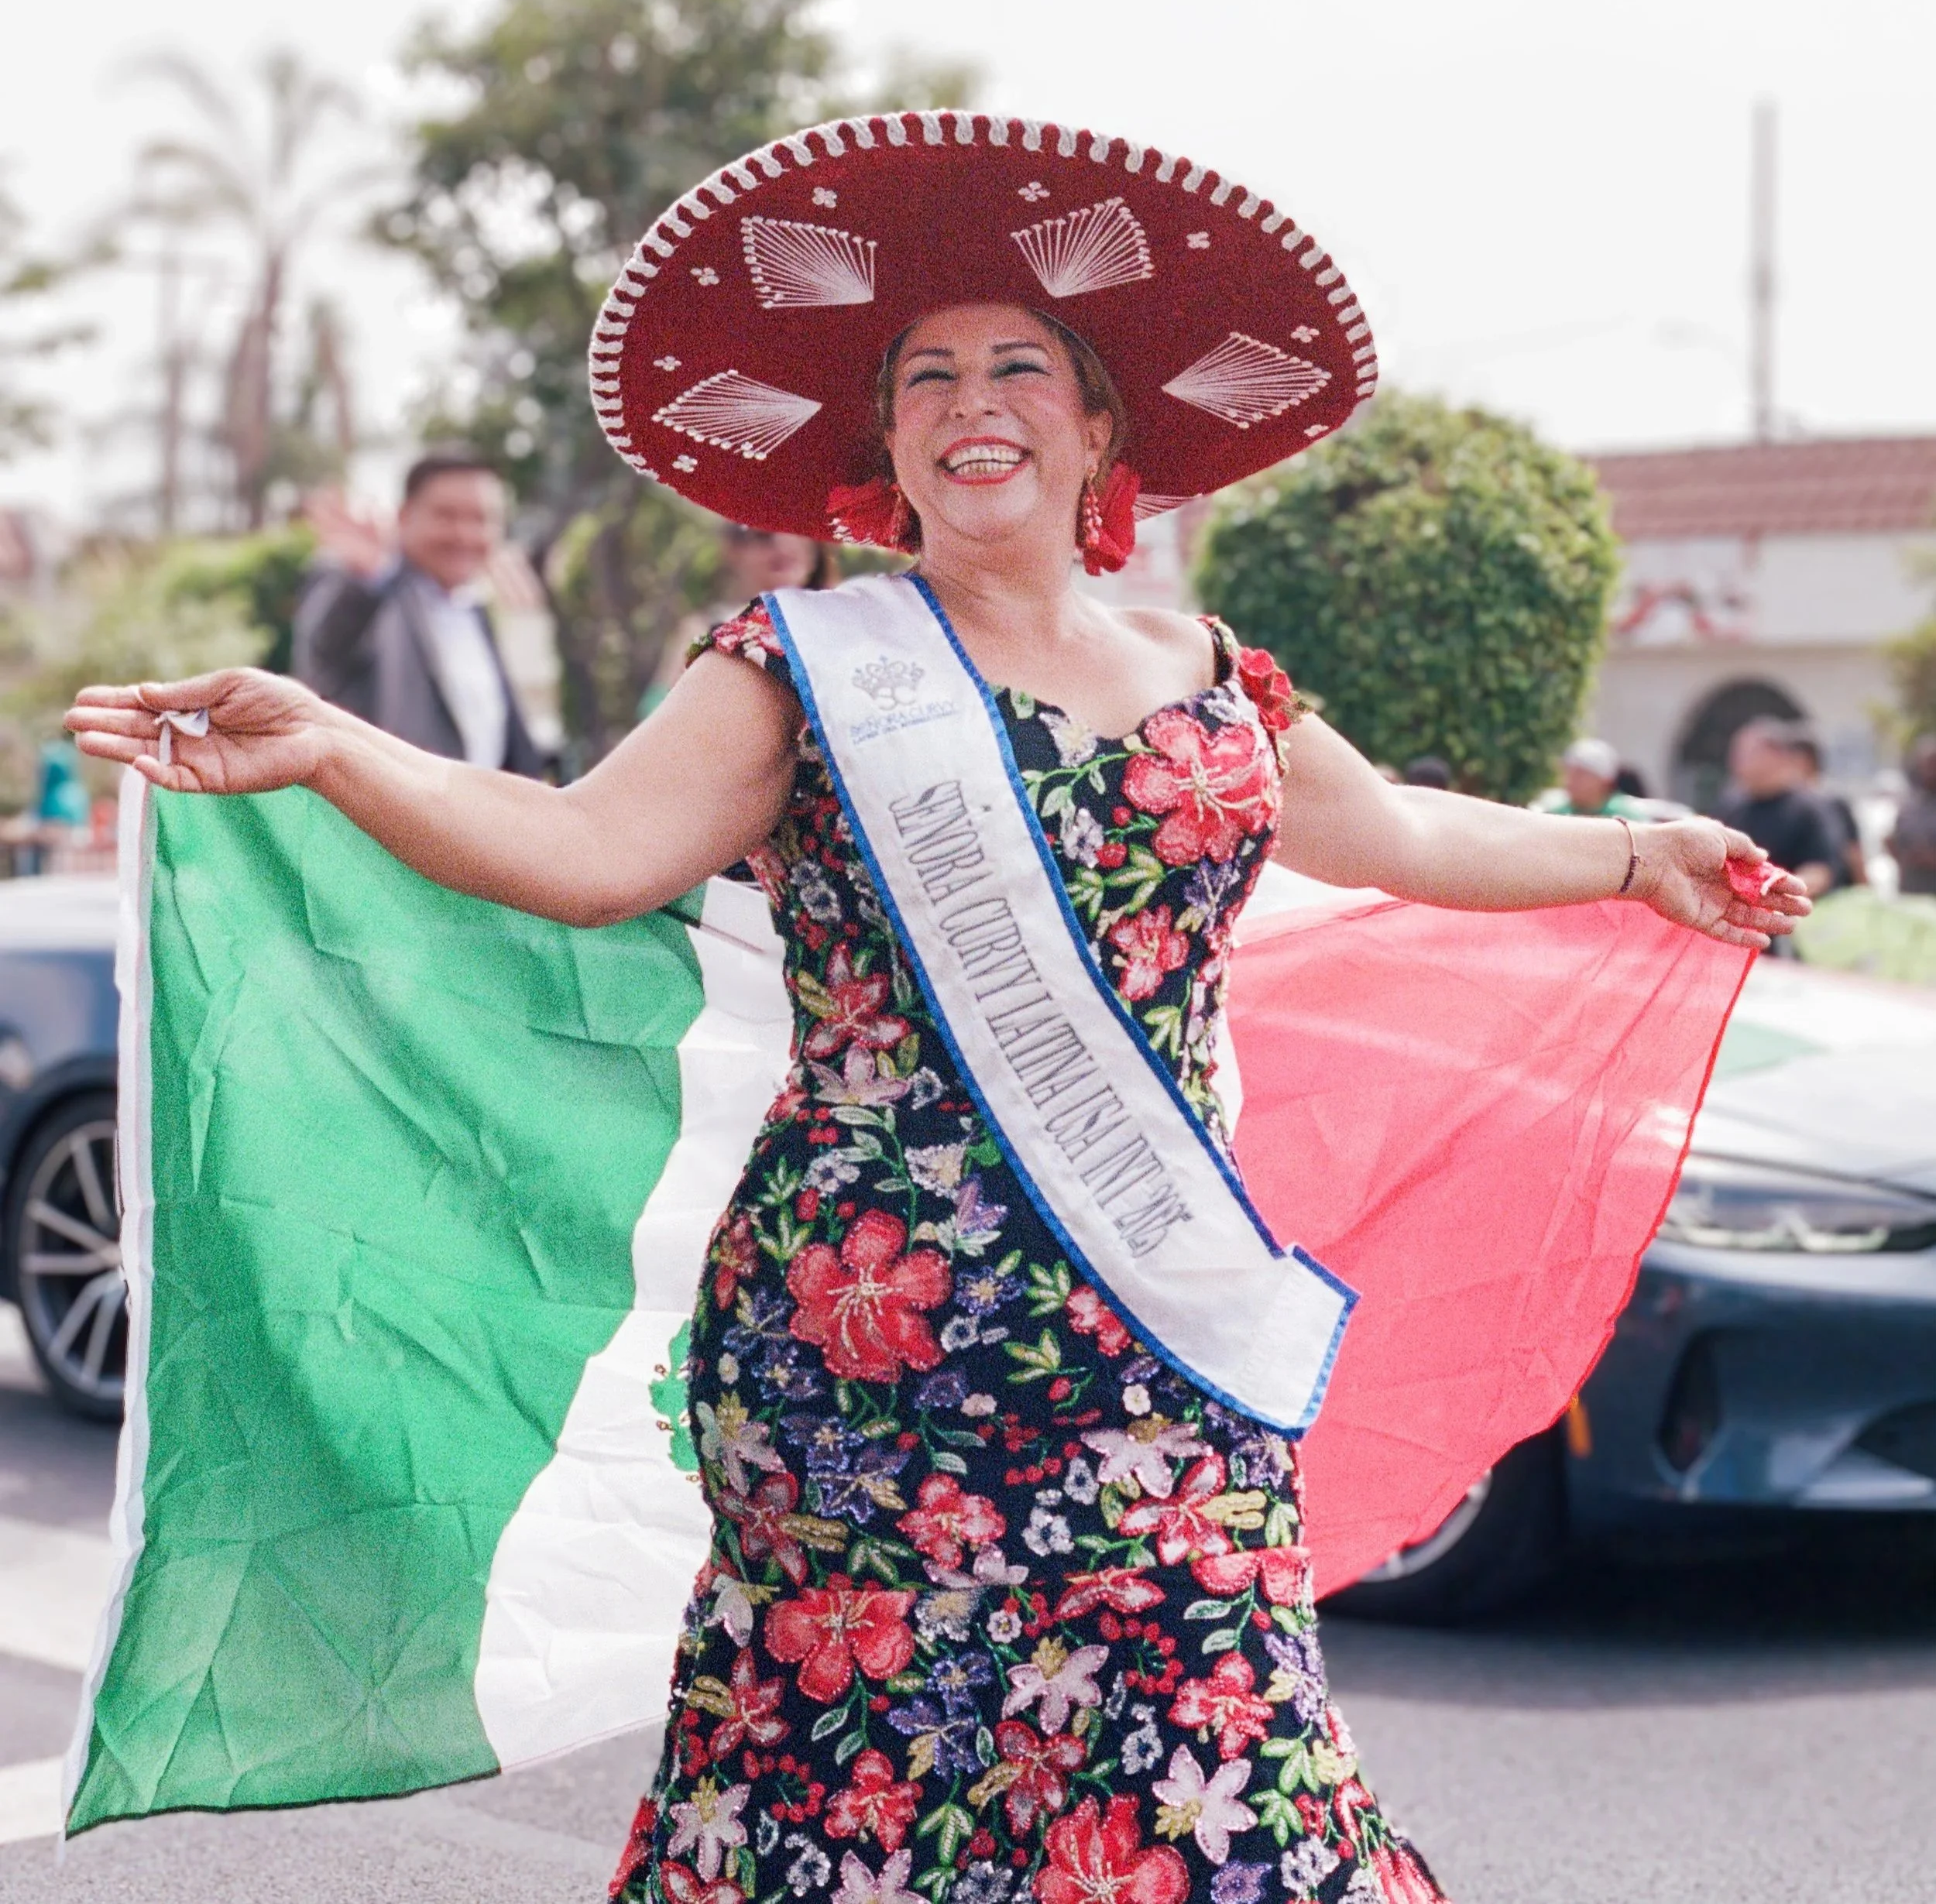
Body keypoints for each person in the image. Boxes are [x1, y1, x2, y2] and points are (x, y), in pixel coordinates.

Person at [68, 115, 1804, 1904]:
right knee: (860, 1784)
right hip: (867, 1335)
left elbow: (1400, 834)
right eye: (928, 379)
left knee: (1219, 1764)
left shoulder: (1216, 680)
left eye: (1018, 367)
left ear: (1099, 427)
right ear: (886, 448)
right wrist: (335, 748)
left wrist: (1632, 852)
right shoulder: (800, 669)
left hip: (1155, 1324)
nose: (975, 403)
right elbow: (583, 852)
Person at [293, 449, 548, 775]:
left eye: (481, 519)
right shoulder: (371, 591)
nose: (465, 534)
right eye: (446, 516)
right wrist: (370, 579)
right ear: (404, 516)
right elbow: (324, 650)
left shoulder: (476, 606)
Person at [638, 524, 835, 716]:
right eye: (763, 535)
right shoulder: (703, 628)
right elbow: (655, 711)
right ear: (732, 549)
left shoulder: (836, 622)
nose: (784, 543)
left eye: (797, 529)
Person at [1719, 718, 1840, 897]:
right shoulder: (1731, 807)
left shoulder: (1809, 808)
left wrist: (1773, 894)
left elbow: (1819, 871)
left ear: (1775, 755)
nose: (1736, 762)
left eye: (1746, 754)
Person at [1787, 729, 1867, 889]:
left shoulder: (1832, 801)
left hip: (1832, 891)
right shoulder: (1781, 802)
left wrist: (1864, 888)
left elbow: (1852, 850)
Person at [1537, 738, 1650, 820]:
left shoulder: (1627, 816)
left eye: (1580, 774)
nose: (1569, 781)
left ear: (1605, 780)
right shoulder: (1556, 815)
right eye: (1568, 773)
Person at [1888, 735, 1936, 895]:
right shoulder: (1909, 805)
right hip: (1912, 891)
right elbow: (1896, 841)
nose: (1931, 770)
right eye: (1927, 764)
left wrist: (1928, 858)